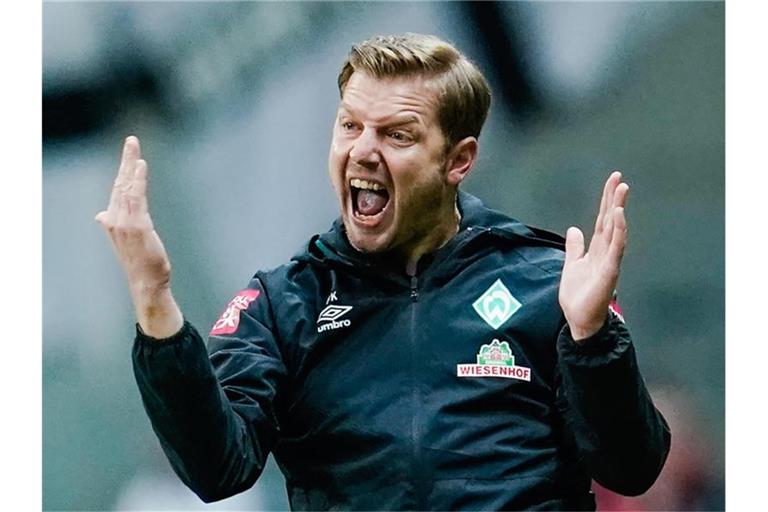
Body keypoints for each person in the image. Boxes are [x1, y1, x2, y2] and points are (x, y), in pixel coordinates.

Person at [95, 33, 670, 510]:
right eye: (350, 126)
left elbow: (632, 467)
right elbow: (216, 468)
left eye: (397, 134)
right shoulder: (283, 303)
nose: (363, 150)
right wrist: (154, 303)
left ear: (459, 160)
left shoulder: (546, 283)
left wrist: (593, 340)